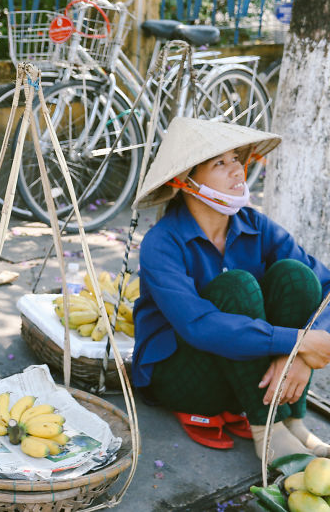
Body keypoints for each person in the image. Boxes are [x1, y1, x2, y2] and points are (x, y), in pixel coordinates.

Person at [131, 116, 330, 461]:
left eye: (236, 158)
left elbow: (325, 287)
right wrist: (296, 341)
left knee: (296, 276)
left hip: (243, 375)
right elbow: (199, 325)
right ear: (186, 181)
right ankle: (268, 430)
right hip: (182, 378)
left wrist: (300, 355)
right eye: (219, 164)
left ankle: (292, 421)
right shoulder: (161, 242)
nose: (237, 170)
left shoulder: (256, 226)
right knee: (237, 287)